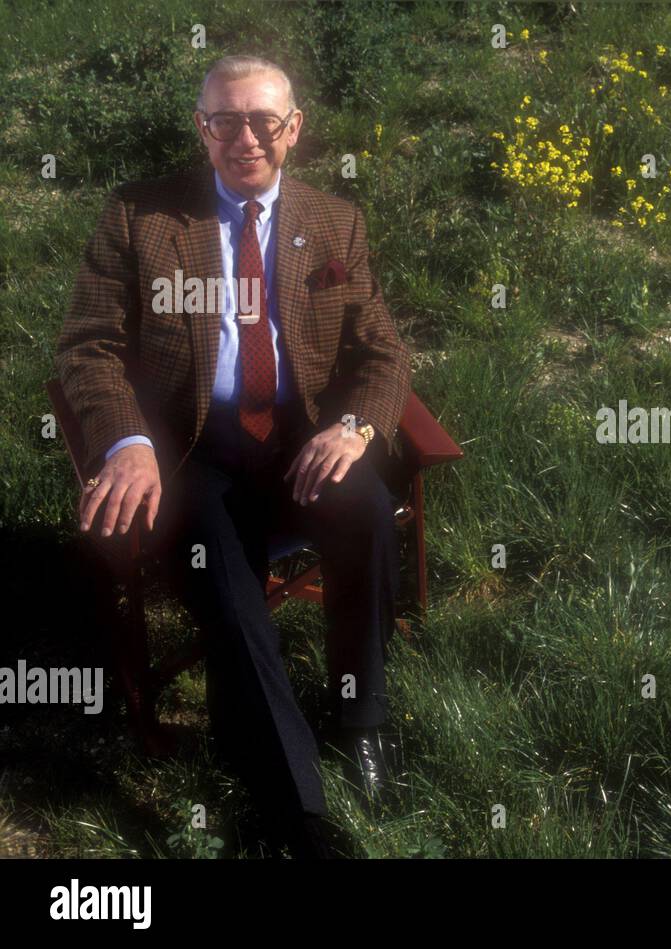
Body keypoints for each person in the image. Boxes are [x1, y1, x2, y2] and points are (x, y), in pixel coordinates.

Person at [54, 54, 412, 858]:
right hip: (192, 451)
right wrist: (129, 441)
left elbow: (383, 352)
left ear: (294, 129)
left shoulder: (335, 222)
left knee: (366, 517)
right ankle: (297, 815)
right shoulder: (138, 216)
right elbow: (87, 345)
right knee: (230, 590)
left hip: (300, 439)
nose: (244, 138)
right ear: (201, 127)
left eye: (263, 121)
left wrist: (353, 426)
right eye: (225, 120)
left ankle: (364, 718)